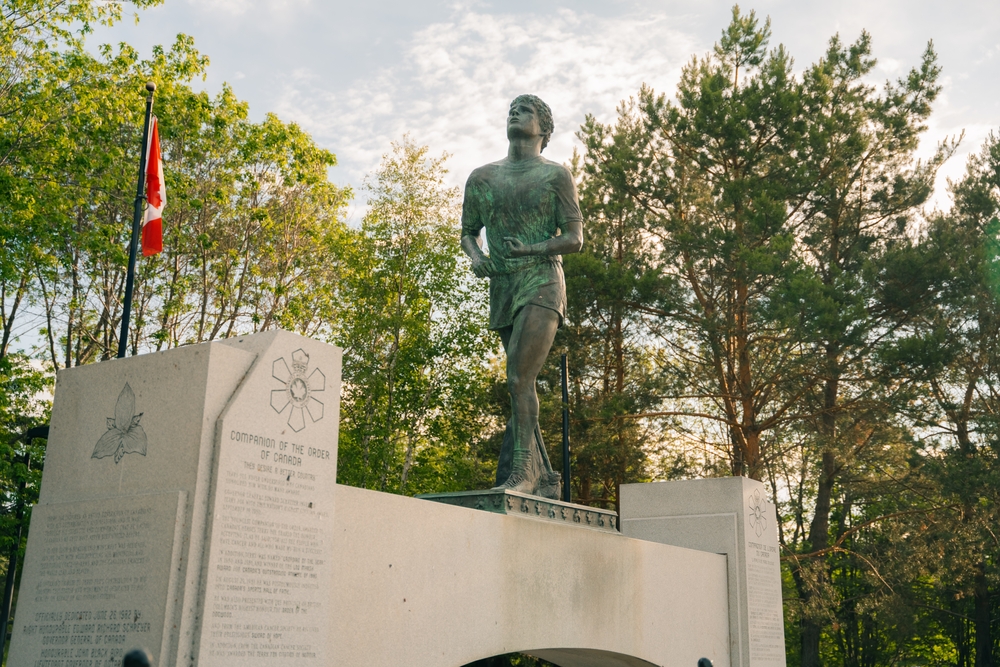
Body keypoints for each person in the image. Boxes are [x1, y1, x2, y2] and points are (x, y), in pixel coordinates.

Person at [460, 94, 584, 498]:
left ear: (544, 130)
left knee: (519, 377)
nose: (516, 113)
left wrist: (530, 250)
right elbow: (468, 232)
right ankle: (545, 477)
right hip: (503, 285)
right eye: (512, 109)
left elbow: (574, 238)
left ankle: (520, 475)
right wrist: (478, 257)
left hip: (542, 281)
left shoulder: (556, 176)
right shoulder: (483, 177)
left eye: (526, 110)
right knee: (518, 384)